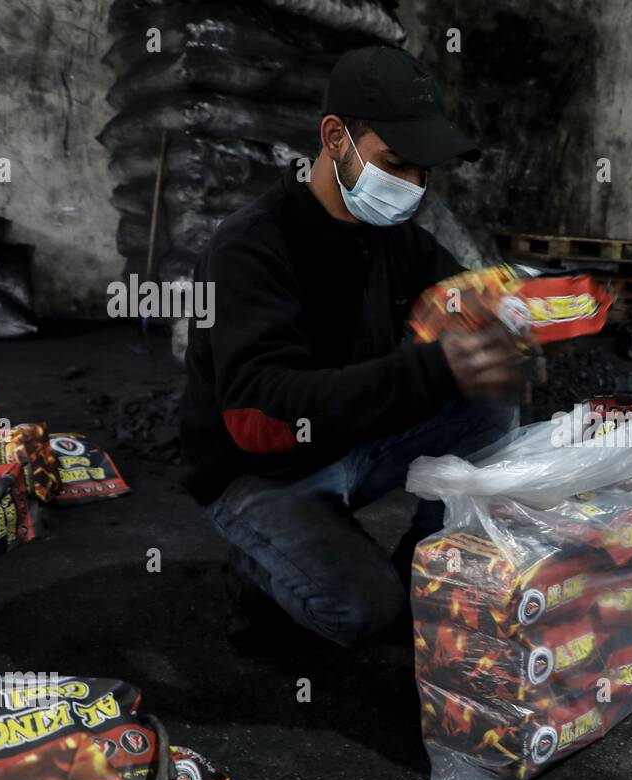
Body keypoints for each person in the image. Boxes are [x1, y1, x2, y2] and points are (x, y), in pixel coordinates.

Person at [180, 47, 526, 648]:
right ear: (336, 137)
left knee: (491, 407)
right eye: (396, 163)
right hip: (263, 467)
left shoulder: (396, 240)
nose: (412, 186)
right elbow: (261, 411)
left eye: (423, 171)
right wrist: (434, 369)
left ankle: (425, 568)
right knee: (365, 615)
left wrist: (514, 312)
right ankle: (258, 567)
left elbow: (458, 297)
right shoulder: (252, 246)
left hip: (353, 438)